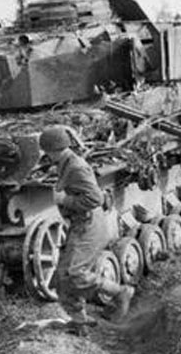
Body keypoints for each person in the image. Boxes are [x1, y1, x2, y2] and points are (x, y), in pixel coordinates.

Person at [39, 125, 134, 329]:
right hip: (80, 223)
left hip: (89, 225)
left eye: (46, 151)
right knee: (63, 276)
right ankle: (79, 320)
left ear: (52, 149)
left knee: (75, 274)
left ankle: (120, 292)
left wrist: (65, 200)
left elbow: (95, 198)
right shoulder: (66, 164)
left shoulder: (75, 167)